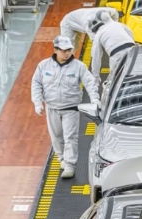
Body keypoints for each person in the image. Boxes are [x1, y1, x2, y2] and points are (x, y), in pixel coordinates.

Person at [31, 35, 101, 179]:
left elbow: (90, 83)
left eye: (69, 50)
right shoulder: (43, 65)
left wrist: (95, 98)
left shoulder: (78, 66)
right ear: (55, 50)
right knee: (56, 136)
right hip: (52, 108)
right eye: (64, 50)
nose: (67, 53)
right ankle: (62, 158)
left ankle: (70, 165)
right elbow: (36, 83)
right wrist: (37, 102)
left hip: (71, 108)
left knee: (70, 137)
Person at [88, 10, 135, 81]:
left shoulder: (98, 34)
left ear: (94, 31)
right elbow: (130, 32)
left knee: (114, 80)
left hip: (117, 56)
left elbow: (96, 56)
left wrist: (96, 76)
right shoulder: (118, 24)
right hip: (132, 50)